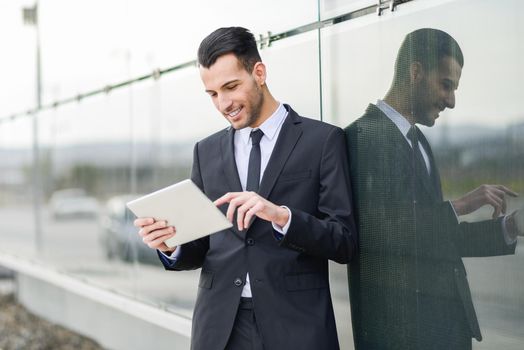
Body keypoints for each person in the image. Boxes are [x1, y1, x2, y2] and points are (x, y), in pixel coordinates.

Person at [134, 27, 357, 350]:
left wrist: (282, 217)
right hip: (220, 328)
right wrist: (171, 244)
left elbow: (344, 242)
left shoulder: (322, 141)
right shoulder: (206, 152)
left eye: (231, 87)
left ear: (259, 73)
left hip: (296, 325)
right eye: (212, 94)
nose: (223, 103)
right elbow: (202, 246)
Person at [345, 28, 523, 350]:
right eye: (446, 85)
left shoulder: (419, 142)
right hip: (402, 337)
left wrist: (510, 227)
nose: (452, 101)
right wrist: (460, 206)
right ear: (415, 72)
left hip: (443, 331)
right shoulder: (362, 137)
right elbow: (383, 235)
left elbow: (436, 237)